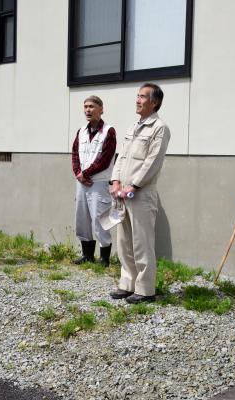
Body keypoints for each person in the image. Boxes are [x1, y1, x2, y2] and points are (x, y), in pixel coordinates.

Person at [109, 83, 171, 304]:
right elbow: (121, 157)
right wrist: (115, 181)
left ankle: (145, 290)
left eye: (142, 97)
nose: (137, 100)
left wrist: (133, 186)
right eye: (137, 96)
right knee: (124, 240)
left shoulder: (159, 128)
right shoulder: (134, 126)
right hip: (122, 193)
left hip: (141, 194)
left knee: (141, 242)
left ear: (154, 102)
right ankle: (127, 283)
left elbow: (152, 162)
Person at [71, 95, 117, 266]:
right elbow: (75, 154)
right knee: (82, 218)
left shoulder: (109, 131)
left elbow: (105, 159)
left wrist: (86, 174)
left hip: (99, 182)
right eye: (85, 107)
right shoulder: (81, 131)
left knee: (100, 218)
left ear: (101, 109)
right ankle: (87, 255)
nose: (87, 110)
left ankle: (104, 258)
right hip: (81, 182)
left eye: (91, 106)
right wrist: (78, 174)